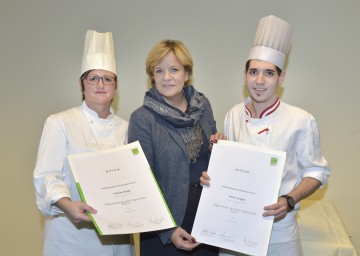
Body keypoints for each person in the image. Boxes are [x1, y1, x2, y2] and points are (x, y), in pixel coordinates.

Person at [201, 15, 330, 256]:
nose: (259, 81)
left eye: (269, 74)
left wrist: (289, 200)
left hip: (280, 233)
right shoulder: (233, 115)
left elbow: (317, 172)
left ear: (281, 78)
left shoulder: (301, 120)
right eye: (253, 72)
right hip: (233, 229)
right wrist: (214, 169)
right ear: (245, 75)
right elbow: (231, 171)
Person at [33, 30, 135, 256]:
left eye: (108, 78)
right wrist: (67, 204)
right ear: (82, 84)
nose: (101, 84)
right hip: (70, 236)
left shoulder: (128, 128)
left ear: (115, 86)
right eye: (93, 78)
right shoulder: (60, 122)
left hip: (118, 239)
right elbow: (47, 175)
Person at [128, 39, 221, 255]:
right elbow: (141, 181)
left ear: (187, 74)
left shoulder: (203, 106)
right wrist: (167, 230)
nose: (166, 77)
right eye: (159, 71)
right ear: (152, 76)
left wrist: (217, 148)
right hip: (164, 227)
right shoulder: (142, 118)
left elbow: (209, 158)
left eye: (174, 69)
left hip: (205, 220)